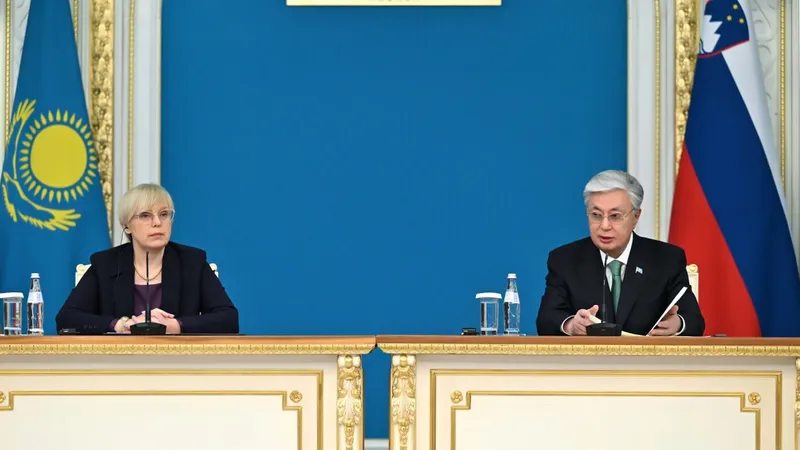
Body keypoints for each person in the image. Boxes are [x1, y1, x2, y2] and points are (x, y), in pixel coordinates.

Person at [536, 170, 705, 336]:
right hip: (589, 355)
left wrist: (677, 324)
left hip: (646, 355)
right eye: (596, 215)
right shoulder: (565, 260)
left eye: (615, 216)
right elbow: (546, 319)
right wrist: (571, 325)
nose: (604, 226)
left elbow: (694, 320)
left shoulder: (666, 259)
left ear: (636, 217)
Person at [55, 183, 239, 334]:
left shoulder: (192, 262)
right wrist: (120, 325)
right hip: (118, 362)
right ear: (126, 226)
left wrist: (176, 326)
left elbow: (228, 318)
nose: (157, 222)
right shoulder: (105, 264)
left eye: (164, 214)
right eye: (145, 215)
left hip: (178, 362)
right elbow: (66, 318)